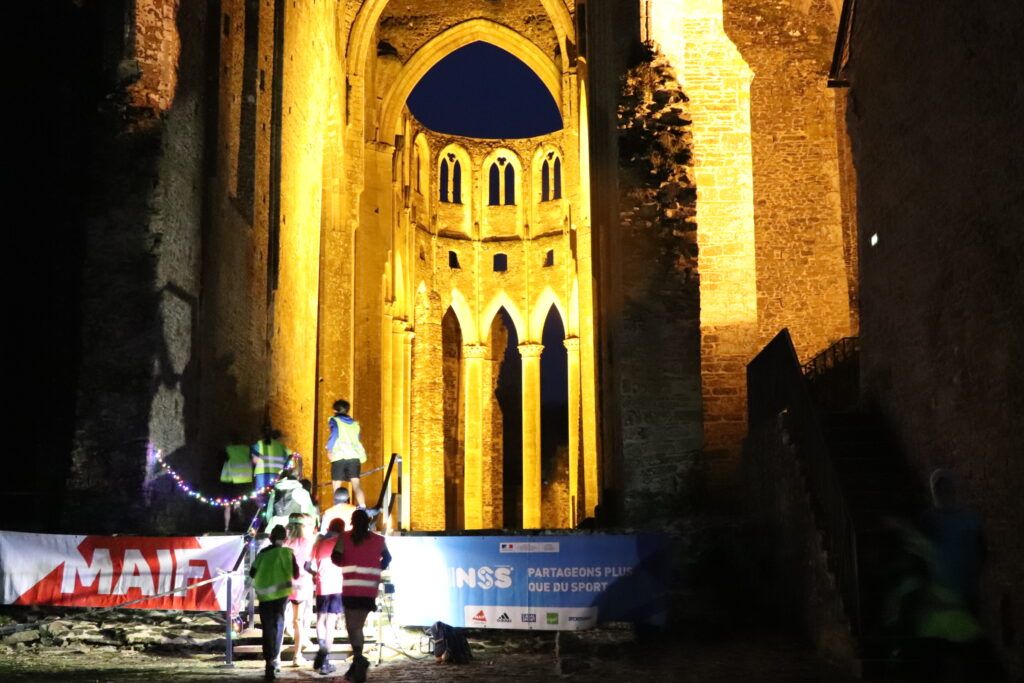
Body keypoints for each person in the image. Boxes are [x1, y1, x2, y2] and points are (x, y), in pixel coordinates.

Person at [331, 508, 391, 683]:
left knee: (353, 627)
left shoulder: (344, 538)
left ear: (353, 521)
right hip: (368, 589)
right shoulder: (379, 540)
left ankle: (359, 660)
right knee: (359, 626)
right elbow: (387, 558)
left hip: (350, 588)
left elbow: (335, 557)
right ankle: (357, 662)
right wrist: (376, 569)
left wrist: (346, 563)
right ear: (368, 522)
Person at [250, 525, 300, 681]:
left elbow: (252, 572)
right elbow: (296, 573)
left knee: (267, 628)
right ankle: (274, 659)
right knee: (278, 626)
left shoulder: (263, 554)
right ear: (285, 539)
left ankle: (268, 662)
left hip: (265, 596)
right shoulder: (288, 553)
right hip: (281, 596)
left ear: (270, 538)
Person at [309, 518, 346, 675]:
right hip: (337, 584)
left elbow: (307, 565)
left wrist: (316, 575)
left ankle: (323, 654)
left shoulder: (319, 541)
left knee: (321, 620)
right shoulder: (343, 541)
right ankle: (326, 657)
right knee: (331, 622)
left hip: (322, 585)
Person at [283, 513, 316, 667]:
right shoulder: (308, 542)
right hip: (302, 583)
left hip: (283, 583)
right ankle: (297, 656)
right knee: (299, 620)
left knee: (282, 617)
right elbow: (310, 563)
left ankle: (275, 656)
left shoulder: (283, 542)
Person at [325, 399, 368, 508]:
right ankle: (363, 508)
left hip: (339, 456)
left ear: (335, 410)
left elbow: (334, 434)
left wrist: (329, 448)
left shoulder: (334, 420)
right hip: (354, 457)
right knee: (356, 485)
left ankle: (337, 509)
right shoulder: (355, 424)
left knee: (336, 485)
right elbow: (357, 438)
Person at [219, 438, 256, 531]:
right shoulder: (246, 449)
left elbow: (222, 460)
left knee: (227, 505)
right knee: (238, 501)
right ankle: (237, 508)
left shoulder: (228, 449)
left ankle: (226, 527)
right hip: (244, 479)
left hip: (230, 480)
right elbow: (253, 461)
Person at [266, 468, 318, 532]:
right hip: (294, 531)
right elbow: (309, 514)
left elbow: (269, 514)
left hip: (274, 530)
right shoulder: (301, 492)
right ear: (297, 478)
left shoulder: (275, 492)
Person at [253, 428, 294, 492]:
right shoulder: (282, 447)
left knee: (261, 496)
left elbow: (255, 460)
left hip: (261, 476)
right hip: (276, 476)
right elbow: (288, 464)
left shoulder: (258, 445)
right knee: (273, 496)